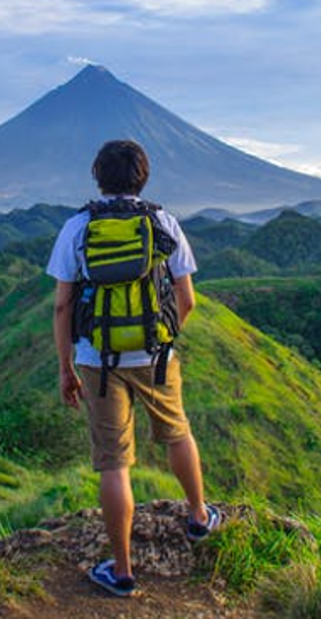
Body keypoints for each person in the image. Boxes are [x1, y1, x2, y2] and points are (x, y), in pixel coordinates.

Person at [46, 139, 221, 598]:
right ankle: (199, 517)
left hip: (96, 360)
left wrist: (66, 367)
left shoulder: (78, 226)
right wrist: (161, 337)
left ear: (97, 176)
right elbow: (187, 299)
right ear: (143, 177)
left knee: (114, 462)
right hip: (156, 356)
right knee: (177, 432)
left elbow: (63, 306)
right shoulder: (162, 221)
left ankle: (122, 572)